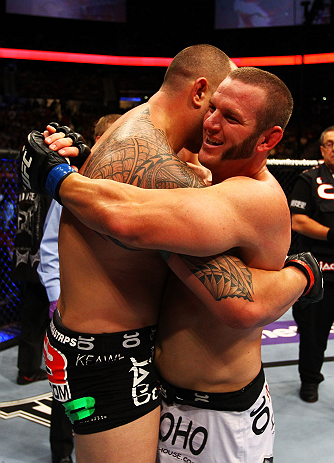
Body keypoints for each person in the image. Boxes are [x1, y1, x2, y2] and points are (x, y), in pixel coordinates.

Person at [21, 63, 322, 463]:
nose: (211, 124)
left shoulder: (254, 197)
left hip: (220, 412)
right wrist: (93, 160)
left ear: (269, 138)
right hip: (167, 397)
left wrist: (58, 177)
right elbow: (147, 196)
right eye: (213, 108)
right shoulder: (203, 178)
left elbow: (238, 303)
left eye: (231, 118)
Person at [37, 114, 122, 463]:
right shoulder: (76, 186)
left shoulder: (135, 186)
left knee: (113, 391)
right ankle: (61, 453)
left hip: (119, 312)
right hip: (74, 307)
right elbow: (48, 248)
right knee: (68, 389)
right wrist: (60, 302)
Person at [290, 124, 334, 403]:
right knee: (313, 333)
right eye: (331, 143)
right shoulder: (308, 179)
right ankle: (310, 380)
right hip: (321, 272)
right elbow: (297, 220)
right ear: (322, 149)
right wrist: (332, 234)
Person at [11, 187, 50, 385]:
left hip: (27, 260)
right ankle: (28, 370)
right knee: (36, 318)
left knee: (32, 316)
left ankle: (28, 368)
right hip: (41, 263)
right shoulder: (47, 188)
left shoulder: (27, 186)